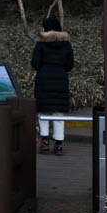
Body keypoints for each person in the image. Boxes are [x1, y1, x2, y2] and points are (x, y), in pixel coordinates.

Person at [31, 16, 74, 155]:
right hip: (61, 80)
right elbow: (70, 65)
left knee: (43, 111)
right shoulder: (66, 44)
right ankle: (59, 144)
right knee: (58, 112)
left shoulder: (41, 44)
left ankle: (44, 142)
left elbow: (35, 63)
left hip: (44, 79)